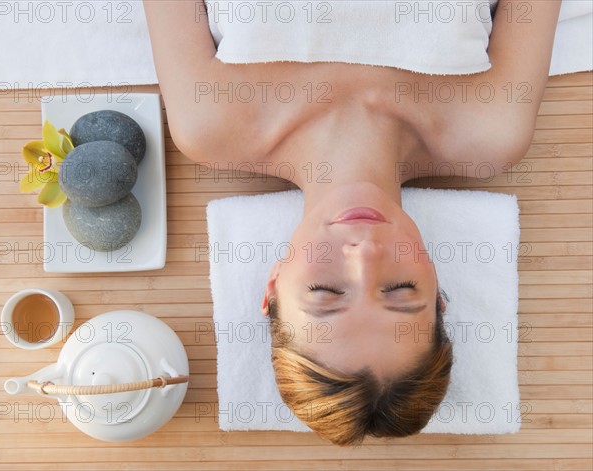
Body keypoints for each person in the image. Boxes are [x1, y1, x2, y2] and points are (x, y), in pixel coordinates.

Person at [143, 0, 562, 446]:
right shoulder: (491, 127)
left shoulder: (211, 123)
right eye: (401, 290)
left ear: (273, 285)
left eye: (326, 292)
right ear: (438, 291)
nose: (364, 254)